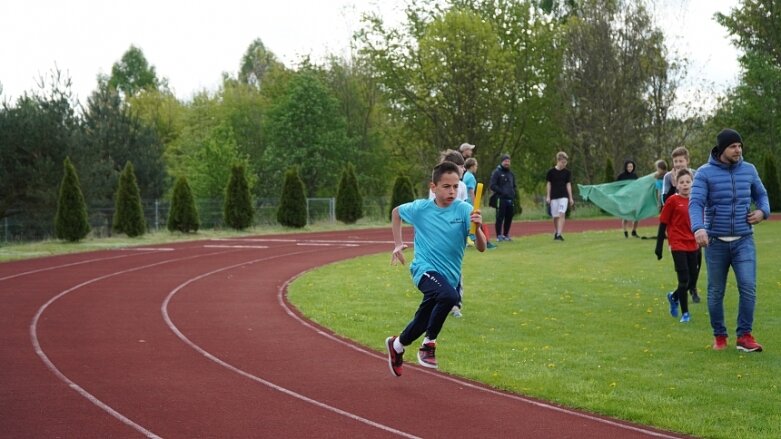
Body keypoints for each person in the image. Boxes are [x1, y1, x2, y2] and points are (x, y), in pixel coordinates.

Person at [386, 161, 487, 376]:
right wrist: (397, 243)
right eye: (446, 186)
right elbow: (396, 212)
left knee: (423, 319)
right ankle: (428, 345)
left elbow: (481, 247)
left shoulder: (465, 210)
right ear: (434, 187)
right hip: (423, 269)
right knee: (450, 297)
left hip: (448, 276)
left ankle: (397, 346)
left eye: (455, 186)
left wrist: (477, 229)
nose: (452, 191)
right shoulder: (421, 208)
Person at [689, 128, 770, 352]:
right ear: (722, 149)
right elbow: (695, 203)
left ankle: (745, 336)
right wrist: (698, 228)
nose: (738, 150)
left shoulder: (749, 170)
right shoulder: (704, 173)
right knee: (716, 291)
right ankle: (720, 337)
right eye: (733, 146)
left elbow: (762, 195)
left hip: (744, 240)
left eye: (740, 146)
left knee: (748, 287)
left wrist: (763, 211)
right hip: (715, 242)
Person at [655, 169, 698, 323]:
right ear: (676, 185)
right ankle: (685, 313)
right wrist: (658, 247)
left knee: (692, 280)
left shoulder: (696, 200)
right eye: (682, 182)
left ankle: (673, 296)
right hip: (677, 243)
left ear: (692, 183)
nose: (685, 185)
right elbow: (663, 224)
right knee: (684, 279)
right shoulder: (672, 201)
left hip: (693, 243)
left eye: (688, 182)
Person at [661, 146, 701, 302]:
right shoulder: (668, 177)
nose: (678, 164)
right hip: (678, 226)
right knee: (684, 265)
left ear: (687, 161)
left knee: (697, 262)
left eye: (681, 161)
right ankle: (685, 289)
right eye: (675, 161)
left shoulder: (696, 174)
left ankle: (692, 288)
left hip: (695, 223)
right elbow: (664, 199)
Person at [464, 158, 496, 250]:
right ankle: (484, 242)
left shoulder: (466, 175)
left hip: (466, 202)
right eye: (476, 165)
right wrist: (476, 204)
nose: (476, 168)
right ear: (472, 166)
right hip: (470, 203)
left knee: (472, 222)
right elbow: (471, 191)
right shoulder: (470, 177)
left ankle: (480, 241)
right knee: (477, 221)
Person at [545, 151, 574, 241]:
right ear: (558, 161)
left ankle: (559, 234)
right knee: (555, 216)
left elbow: (568, 185)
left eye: (565, 162)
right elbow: (549, 184)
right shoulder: (551, 172)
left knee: (562, 213)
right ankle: (556, 231)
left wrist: (570, 197)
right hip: (554, 196)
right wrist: (548, 196)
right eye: (563, 162)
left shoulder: (567, 172)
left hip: (563, 196)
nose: (564, 164)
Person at [489, 154, 517, 241]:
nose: (507, 163)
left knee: (509, 217)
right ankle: (499, 235)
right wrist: (502, 191)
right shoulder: (497, 172)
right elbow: (492, 185)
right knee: (500, 217)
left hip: (510, 199)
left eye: (508, 161)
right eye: (505, 161)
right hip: (500, 198)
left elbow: (514, 185)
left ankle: (506, 234)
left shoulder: (511, 174)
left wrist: (512, 193)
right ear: (502, 162)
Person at [617, 160, 639, 237]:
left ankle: (634, 231)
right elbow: (617, 186)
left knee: (636, 215)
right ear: (626, 167)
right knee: (626, 216)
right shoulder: (621, 176)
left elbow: (638, 186)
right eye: (628, 166)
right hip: (625, 198)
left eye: (631, 166)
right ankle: (625, 231)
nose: (630, 168)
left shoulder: (635, 176)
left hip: (633, 198)